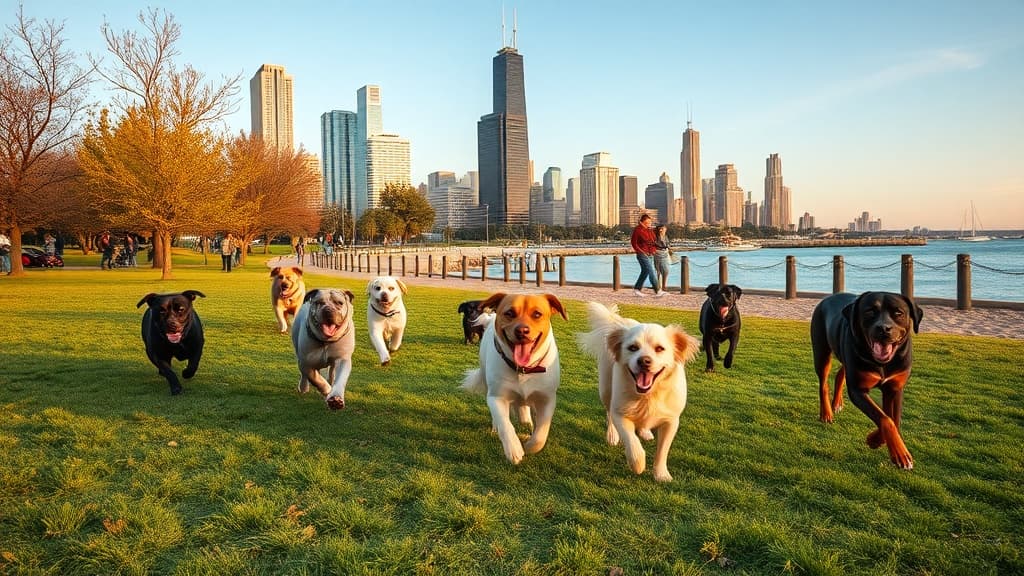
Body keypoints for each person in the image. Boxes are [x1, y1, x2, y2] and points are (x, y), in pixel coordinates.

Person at [630, 213, 665, 297]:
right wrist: (641, 252)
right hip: (642, 254)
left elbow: (654, 241)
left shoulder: (650, 230)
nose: (649, 224)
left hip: (650, 254)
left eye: (650, 222)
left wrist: (654, 250)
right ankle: (658, 290)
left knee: (645, 272)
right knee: (651, 271)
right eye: (647, 222)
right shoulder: (638, 230)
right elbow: (634, 243)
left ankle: (637, 289)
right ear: (642, 222)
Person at [653, 225, 672, 292]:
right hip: (657, 253)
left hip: (665, 253)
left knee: (666, 270)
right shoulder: (656, 237)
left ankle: (664, 286)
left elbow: (667, 244)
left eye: (664, 229)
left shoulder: (665, 236)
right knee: (658, 270)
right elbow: (655, 244)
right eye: (662, 229)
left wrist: (669, 249)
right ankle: (658, 287)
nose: (663, 230)